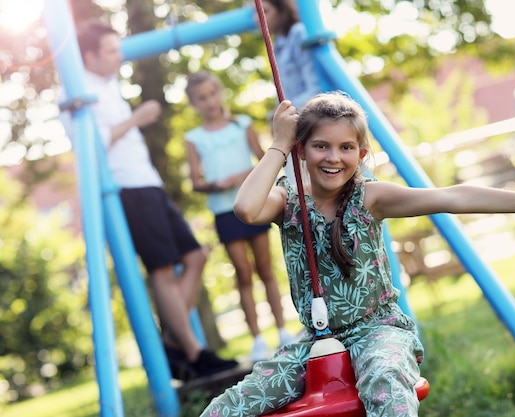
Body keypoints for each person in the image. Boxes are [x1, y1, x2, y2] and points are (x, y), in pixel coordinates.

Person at [198, 92, 515, 417]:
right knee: (225, 408)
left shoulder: (370, 197)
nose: (333, 157)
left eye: (345, 147)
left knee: (385, 377)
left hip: (380, 330)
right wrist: (278, 145)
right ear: (302, 150)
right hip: (315, 343)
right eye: (320, 146)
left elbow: (451, 197)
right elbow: (245, 209)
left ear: (360, 153)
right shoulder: (287, 202)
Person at [62, 19, 238, 381]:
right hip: (126, 189)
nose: (119, 56)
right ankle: (195, 353)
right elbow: (89, 146)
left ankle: (174, 343)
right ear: (89, 56)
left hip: (149, 183)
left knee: (195, 255)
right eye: (111, 51)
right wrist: (137, 119)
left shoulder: (109, 84)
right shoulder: (76, 92)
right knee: (161, 269)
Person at [184, 71, 295, 363]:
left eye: (212, 94)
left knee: (266, 269)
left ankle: (283, 331)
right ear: (194, 104)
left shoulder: (242, 124)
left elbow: (266, 158)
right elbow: (195, 181)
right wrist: (214, 185)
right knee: (243, 274)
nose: (209, 102)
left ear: (220, 93)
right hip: (224, 211)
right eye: (201, 98)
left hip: (255, 202)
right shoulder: (193, 138)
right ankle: (258, 339)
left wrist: (243, 176)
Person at [258, 0, 322, 183]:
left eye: (265, 11)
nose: (258, 19)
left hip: (310, 121)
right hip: (295, 128)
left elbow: (315, 87)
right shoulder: (278, 44)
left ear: (281, 10)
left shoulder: (298, 33)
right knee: (297, 185)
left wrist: (284, 113)